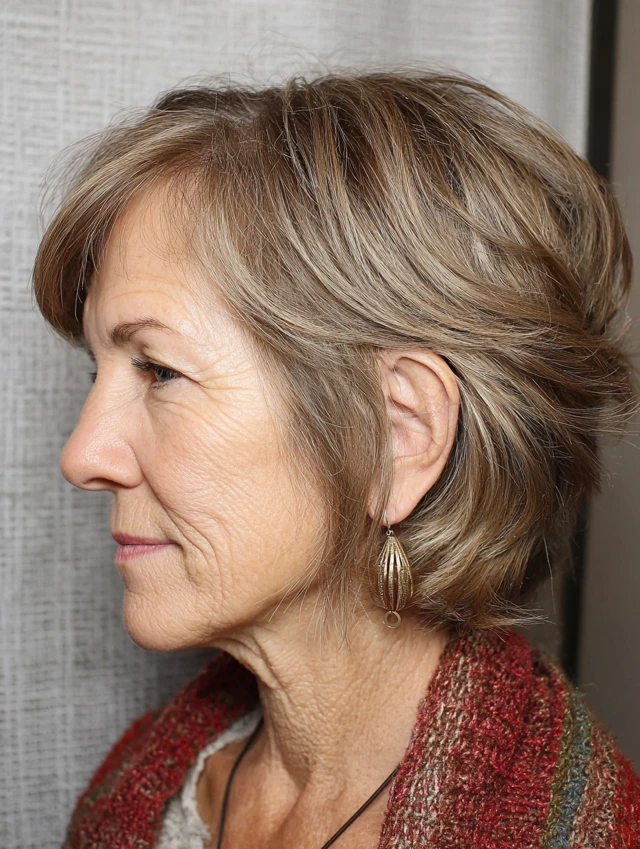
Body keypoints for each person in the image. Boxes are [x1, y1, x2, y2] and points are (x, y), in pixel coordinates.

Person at [33, 68, 640, 849]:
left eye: (158, 370)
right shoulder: (144, 788)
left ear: (395, 435)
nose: (83, 455)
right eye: (100, 370)